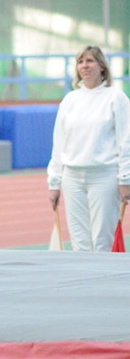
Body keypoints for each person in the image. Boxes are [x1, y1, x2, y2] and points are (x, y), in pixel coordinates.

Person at [47, 46, 130, 252]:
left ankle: (104, 274)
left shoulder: (116, 98)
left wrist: (125, 179)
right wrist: (54, 182)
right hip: (72, 178)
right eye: (81, 61)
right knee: (80, 243)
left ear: (102, 66)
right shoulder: (70, 100)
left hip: (104, 176)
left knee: (102, 241)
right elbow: (59, 143)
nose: (85, 66)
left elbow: (126, 141)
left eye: (90, 61)